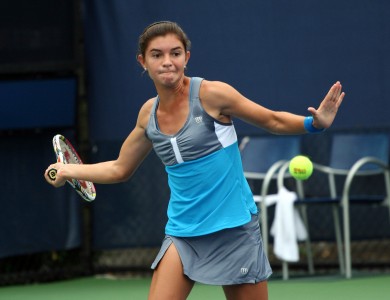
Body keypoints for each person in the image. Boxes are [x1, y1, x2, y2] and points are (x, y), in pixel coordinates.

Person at [44, 21, 345, 300]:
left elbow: (272, 120)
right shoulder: (147, 115)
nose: (167, 61)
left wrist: (313, 124)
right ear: (143, 62)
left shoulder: (212, 95)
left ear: (186, 57)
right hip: (184, 233)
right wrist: (69, 169)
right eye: (157, 54)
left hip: (234, 229)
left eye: (175, 53)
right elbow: (120, 168)